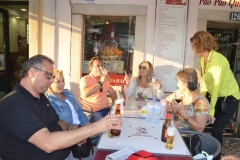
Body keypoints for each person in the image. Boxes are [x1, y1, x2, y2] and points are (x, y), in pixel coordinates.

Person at [0, 55, 122, 160]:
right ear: (32, 72)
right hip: (59, 156)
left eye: (52, 76)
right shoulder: (14, 104)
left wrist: (72, 128)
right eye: (48, 75)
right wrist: (96, 126)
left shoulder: (39, 96)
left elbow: (56, 121)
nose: (51, 80)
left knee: (115, 154)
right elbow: (48, 143)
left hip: (68, 152)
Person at [190, 31, 240, 160]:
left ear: (201, 45)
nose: (193, 48)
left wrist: (211, 111)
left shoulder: (218, 59)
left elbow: (216, 86)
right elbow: (206, 84)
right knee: (209, 127)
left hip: (229, 99)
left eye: (194, 45)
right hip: (216, 97)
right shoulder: (203, 60)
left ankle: (216, 157)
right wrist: (199, 99)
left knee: (217, 129)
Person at [166, 68, 210, 132]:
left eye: (178, 82)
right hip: (172, 128)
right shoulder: (179, 93)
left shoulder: (201, 102)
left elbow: (200, 129)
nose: (177, 84)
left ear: (185, 85)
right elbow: (165, 101)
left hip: (186, 136)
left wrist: (183, 114)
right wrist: (168, 106)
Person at [79, 56, 117, 122]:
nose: (101, 68)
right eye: (98, 66)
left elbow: (113, 93)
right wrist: (100, 81)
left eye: (102, 66)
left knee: (121, 118)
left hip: (107, 109)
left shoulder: (104, 80)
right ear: (91, 68)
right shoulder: (85, 79)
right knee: (109, 123)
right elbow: (84, 94)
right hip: (94, 112)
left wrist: (114, 103)